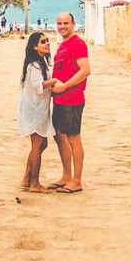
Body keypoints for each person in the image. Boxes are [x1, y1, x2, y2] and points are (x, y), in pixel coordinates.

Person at [49, 12, 91, 193]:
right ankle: (66, 176)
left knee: (74, 138)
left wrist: (64, 86)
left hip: (72, 99)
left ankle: (77, 180)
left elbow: (85, 70)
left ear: (73, 23)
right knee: (59, 136)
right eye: (59, 23)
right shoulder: (63, 44)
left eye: (66, 23)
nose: (62, 26)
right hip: (59, 99)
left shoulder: (77, 44)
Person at [18, 32, 57, 192]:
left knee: (41, 144)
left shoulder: (40, 63)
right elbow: (37, 86)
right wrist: (53, 82)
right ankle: (34, 183)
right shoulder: (33, 65)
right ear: (35, 47)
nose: (47, 43)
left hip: (39, 107)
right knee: (37, 144)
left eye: (47, 41)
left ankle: (26, 178)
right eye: (43, 42)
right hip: (34, 109)